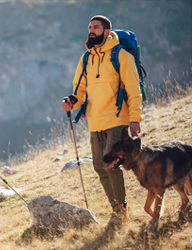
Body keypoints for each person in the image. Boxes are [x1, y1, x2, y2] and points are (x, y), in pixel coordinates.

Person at [61, 15, 142, 226]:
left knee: (110, 163)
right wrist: (71, 101)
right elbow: (80, 90)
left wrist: (135, 119)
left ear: (106, 31)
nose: (91, 30)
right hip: (95, 122)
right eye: (89, 27)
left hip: (117, 119)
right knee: (99, 166)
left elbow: (133, 89)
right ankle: (117, 209)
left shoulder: (121, 55)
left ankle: (120, 212)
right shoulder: (86, 58)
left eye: (95, 27)